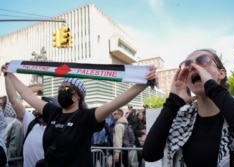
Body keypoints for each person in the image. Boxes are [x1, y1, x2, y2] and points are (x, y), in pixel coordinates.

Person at [2, 64, 156, 167]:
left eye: (67, 89)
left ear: (77, 97)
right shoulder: (52, 112)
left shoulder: (85, 117)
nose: (62, 91)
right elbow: (26, 94)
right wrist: (9, 73)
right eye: (61, 88)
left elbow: (116, 102)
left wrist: (143, 83)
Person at [142, 49, 234, 167]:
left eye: (203, 60)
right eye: (187, 65)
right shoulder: (182, 118)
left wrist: (213, 89)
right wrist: (172, 102)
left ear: (221, 73)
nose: (193, 67)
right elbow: (150, 155)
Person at [3, 73, 58, 167]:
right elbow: (14, 100)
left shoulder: (60, 129)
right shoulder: (32, 123)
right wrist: (7, 75)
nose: (40, 108)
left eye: (45, 106)